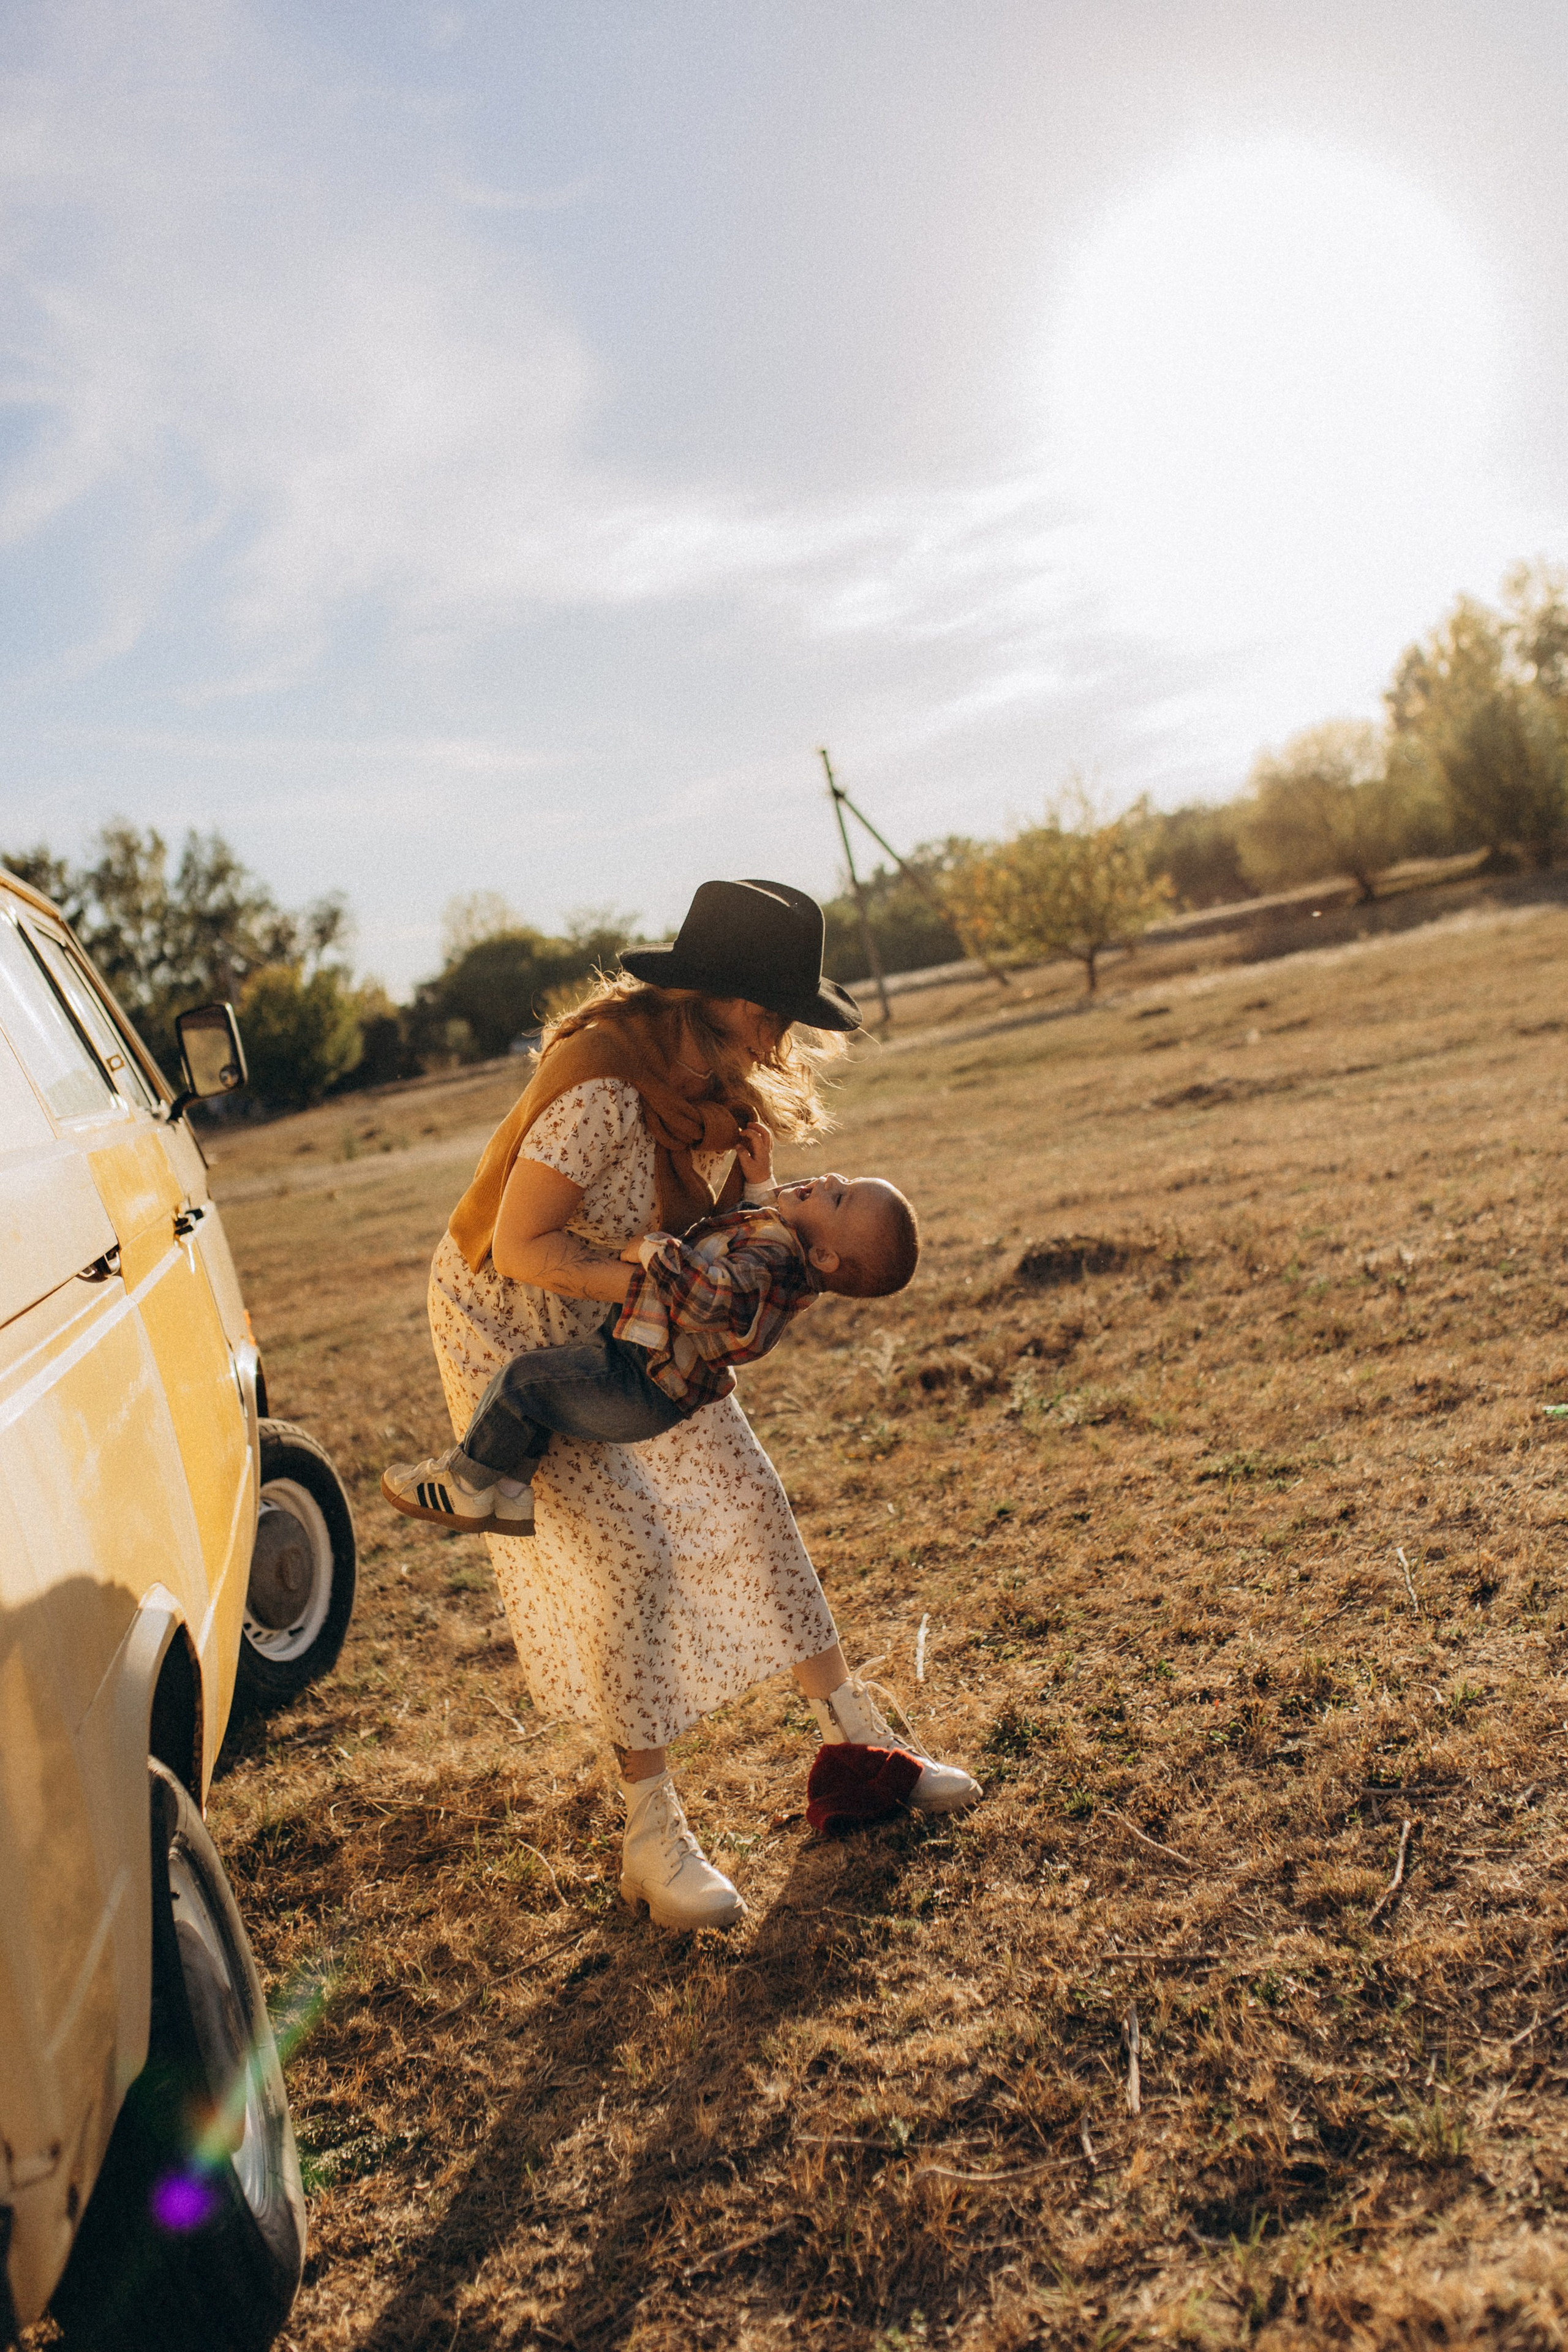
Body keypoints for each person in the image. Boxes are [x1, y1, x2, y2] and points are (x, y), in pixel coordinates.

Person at [421, 877, 982, 1931]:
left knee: (752, 1499)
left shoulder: (726, 1084)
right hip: (526, 1323)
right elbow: (520, 1246)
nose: (781, 1032)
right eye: (768, 1004)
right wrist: (656, 1278)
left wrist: (743, 1227)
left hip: (648, 1313)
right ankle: (651, 1836)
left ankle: (857, 1748)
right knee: (636, 1552)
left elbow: (726, 1247)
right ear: (711, 993)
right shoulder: (600, 1086)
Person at [381, 1117, 919, 1537]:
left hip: (638, 1383)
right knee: (544, 1396)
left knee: (523, 1384)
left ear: (824, 1256)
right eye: (844, 1180)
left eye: (841, 1197)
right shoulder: (780, 1253)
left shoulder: (775, 1269)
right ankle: (513, 1494)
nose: (829, 1179)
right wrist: (761, 1182)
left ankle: (466, 1483)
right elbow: (744, 1242)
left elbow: (710, 1299)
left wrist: (655, 1250)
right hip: (639, 1370)